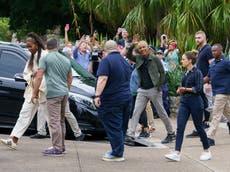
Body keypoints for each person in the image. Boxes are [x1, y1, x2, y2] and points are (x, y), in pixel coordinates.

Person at [0, 32, 48, 149]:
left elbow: (48, 74)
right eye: (27, 46)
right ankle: (13, 139)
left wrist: (38, 79)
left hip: (45, 91)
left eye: (30, 46)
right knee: (24, 114)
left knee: (52, 119)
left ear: (36, 44)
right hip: (32, 91)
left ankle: (59, 145)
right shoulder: (32, 57)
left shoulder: (45, 55)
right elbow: (26, 74)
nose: (29, 49)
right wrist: (32, 75)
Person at [165, 51, 212, 162]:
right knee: (180, 127)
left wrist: (185, 89)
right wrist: (180, 90)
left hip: (195, 103)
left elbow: (199, 89)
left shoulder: (197, 72)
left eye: (183, 59)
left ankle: (207, 150)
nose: (181, 61)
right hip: (184, 102)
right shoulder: (185, 73)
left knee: (199, 127)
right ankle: (177, 153)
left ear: (190, 61)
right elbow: (185, 87)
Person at [126, 40, 175, 144]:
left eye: (144, 47)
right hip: (142, 90)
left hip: (154, 89)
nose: (142, 49)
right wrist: (132, 45)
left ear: (148, 47)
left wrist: (159, 86)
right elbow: (128, 55)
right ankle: (130, 135)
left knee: (161, 112)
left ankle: (171, 133)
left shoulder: (155, 58)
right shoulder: (138, 58)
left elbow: (162, 72)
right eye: (140, 48)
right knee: (136, 112)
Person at [31, 38, 72, 156]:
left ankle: (57, 148)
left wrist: (34, 93)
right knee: (61, 121)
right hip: (64, 93)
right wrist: (66, 89)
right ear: (57, 47)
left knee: (54, 122)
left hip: (53, 93)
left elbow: (39, 77)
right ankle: (61, 146)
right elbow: (70, 77)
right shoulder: (66, 59)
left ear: (46, 47)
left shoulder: (45, 58)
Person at [94, 40, 132, 162]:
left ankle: (117, 153)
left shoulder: (106, 61)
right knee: (121, 126)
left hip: (112, 99)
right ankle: (118, 149)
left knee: (113, 125)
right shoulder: (124, 61)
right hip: (126, 97)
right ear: (117, 48)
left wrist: (97, 95)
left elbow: (102, 78)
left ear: (105, 51)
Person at [186, 31, 214, 138]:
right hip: (200, 82)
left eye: (199, 38)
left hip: (206, 83)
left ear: (204, 38)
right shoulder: (201, 50)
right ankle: (201, 127)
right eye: (196, 38)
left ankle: (205, 125)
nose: (197, 39)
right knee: (202, 104)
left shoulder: (208, 49)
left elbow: (212, 65)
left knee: (207, 105)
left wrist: (209, 82)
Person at [204, 44, 230, 146]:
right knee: (228, 112)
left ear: (221, 50)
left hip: (223, 92)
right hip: (216, 92)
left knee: (216, 115)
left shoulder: (226, 62)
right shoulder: (212, 64)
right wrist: (197, 82)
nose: (213, 53)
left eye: (215, 51)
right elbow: (208, 77)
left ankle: (210, 137)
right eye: (212, 51)